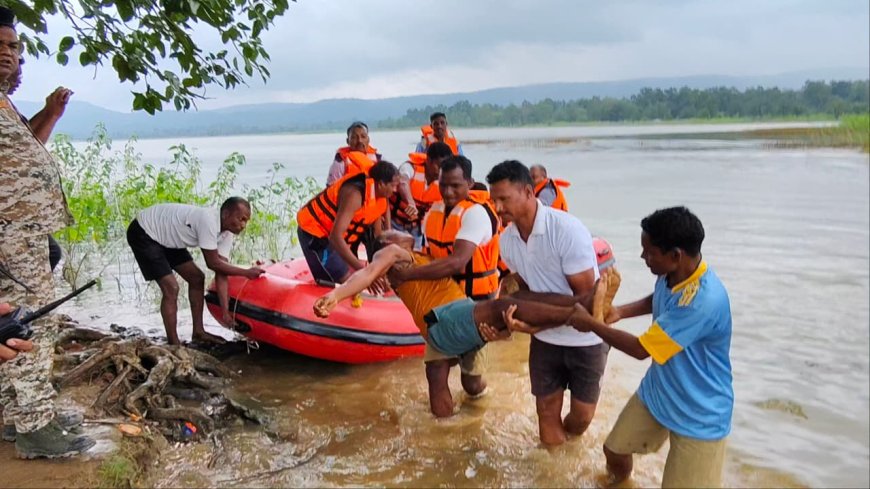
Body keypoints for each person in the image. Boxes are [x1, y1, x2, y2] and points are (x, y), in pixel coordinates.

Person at [314, 230, 610, 417]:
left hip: (455, 318)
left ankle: (449, 435)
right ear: (387, 242)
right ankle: (579, 310)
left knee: (459, 382)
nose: (403, 232)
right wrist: (337, 294)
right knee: (504, 306)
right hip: (446, 318)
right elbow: (367, 273)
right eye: (395, 231)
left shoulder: (424, 254)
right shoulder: (389, 253)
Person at [570, 206, 733, 489]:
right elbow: (658, 297)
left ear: (675, 256)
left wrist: (592, 324)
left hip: (700, 412)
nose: (643, 257)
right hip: (661, 391)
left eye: (649, 252)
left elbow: (640, 349)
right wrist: (620, 311)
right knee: (615, 450)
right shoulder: (674, 274)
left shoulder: (701, 302)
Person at [0, 6, 95, 459]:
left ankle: (16, 417)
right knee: (33, 323)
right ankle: (37, 427)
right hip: (8, 237)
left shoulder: (4, 103)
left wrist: (50, 113)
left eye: (13, 46)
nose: (7, 54)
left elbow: (27, 152)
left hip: (24, 234)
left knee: (11, 323)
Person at [487, 160, 605, 447]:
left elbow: (588, 303)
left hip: (585, 339)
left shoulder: (566, 230)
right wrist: (514, 325)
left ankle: (568, 448)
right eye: (494, 201)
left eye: (504, 199)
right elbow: (527, 292)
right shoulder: (507, 242)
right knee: (546, 412)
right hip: (545, 340)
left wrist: (532, 323)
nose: (498, 208)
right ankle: (553, 473)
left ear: (528, 192)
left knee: (581, 418)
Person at [388, 155, 500, 413]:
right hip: (442, 304)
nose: (449, 192)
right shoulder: (433, 214)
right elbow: (427, 254)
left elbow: (457, 263)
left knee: (471, 383)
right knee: (435, 372)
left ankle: (480, 403)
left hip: (475, 306)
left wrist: (407, 276)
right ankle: (443, 436)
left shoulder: (476, 215)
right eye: (443, 185)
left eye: (456, 186)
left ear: (470, 183)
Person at [126, 197, 265, 345]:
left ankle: (198, 332)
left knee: (197, 278)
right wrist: (246, 272)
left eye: (246, 221)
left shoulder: (227, 234)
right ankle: (174, 344)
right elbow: (213, 263)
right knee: (171, 288)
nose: (243, 225)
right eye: (241, 219)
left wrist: (225, 312)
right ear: (225, 214)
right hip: (145, 232)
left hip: (168, 239)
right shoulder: (208, 221)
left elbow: (221, 271)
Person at [6, 59, 70, 271]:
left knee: (50, 252)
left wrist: (52, 113)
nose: (19, 79)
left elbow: (28, 143)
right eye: (16, 73)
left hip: (21, 213)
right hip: (9, 214)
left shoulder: (7, 106)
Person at [297, 161, 400, 288]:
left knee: (358, 280)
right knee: (344, 281)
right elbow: (335, 237)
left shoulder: (379, 199)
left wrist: (380, 269)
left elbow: (378, 236)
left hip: (337, 237)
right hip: (315, 233)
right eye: (393, 186)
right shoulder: (354, 195)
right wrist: (364, 271)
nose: (395, 190)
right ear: (381, 184)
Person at [390, 142, 453, 246]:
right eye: (439, 166)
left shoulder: (445, 181)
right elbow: (403, 182)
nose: (442, 171)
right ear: (428, 160)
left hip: (417, 228)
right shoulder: (409, 168)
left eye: (445, 167)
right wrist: (410, 203)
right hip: (394, 222)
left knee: (416, 258)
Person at [326, 121, 382, 186]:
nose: (359, 140)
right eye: (354, 137)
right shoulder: (340, 162)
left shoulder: (379, 159)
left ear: (368, 139)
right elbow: (331, 188)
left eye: (363, 136)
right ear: (348, 141)